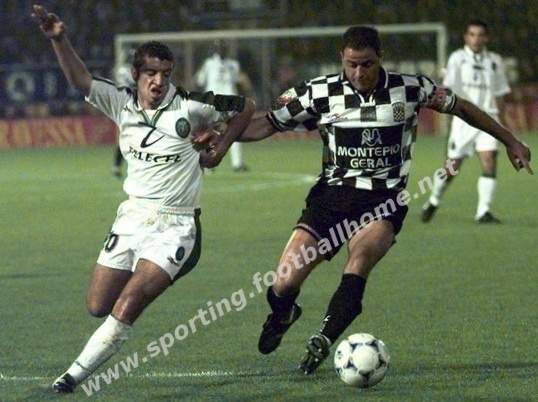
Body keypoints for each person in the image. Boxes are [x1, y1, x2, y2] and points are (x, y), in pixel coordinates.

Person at [228, 26, 531, 375]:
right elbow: (267, 123)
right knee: (283, 284)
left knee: (359, 262)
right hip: (331, 199)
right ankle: (283, 315)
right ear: (342, 58)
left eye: (367, 64)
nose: (359, 73)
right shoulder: (317, 92)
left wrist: (509, 139)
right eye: (351, 64)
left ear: (380, 57)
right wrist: (221, 140)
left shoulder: (411, 88)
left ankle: (323, 339)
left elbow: (460, 106)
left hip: (383, 202)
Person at [31, 4, 254, 394]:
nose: (159, 81)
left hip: (177, 225)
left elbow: (246, 107)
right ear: (135, 74)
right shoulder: (120, 102)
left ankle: (71, 378)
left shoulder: (191, 105)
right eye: (151, 73)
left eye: (166, 74)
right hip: (132, 218)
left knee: (129, 301)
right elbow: (81, 80)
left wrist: (220, 147)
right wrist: (59, 39)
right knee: (97, 305)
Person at [421, 20, 512, 223]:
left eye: (480, 35)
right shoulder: (457, 58)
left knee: (489, 160)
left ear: (486, 38)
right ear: (466, 37)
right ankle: (434, 200)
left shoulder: (495, 61)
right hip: (465, 120)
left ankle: (483, 211)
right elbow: (448, 87)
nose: (476, 39)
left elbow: (499, 94)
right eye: (472, 34)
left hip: (488, 119)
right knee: (451, 168)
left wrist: (502, 122)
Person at [194, 40, 251, 172]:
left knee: (234, 132)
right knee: (209, 133)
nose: (221, 50)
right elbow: (199, 81)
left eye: (223, 48)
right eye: (219, 48)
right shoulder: (208, 64)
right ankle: (208, 164)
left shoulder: (233, 65)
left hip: (231, 103)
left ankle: (237, 164)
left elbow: (240, 81)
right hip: (213, 102)